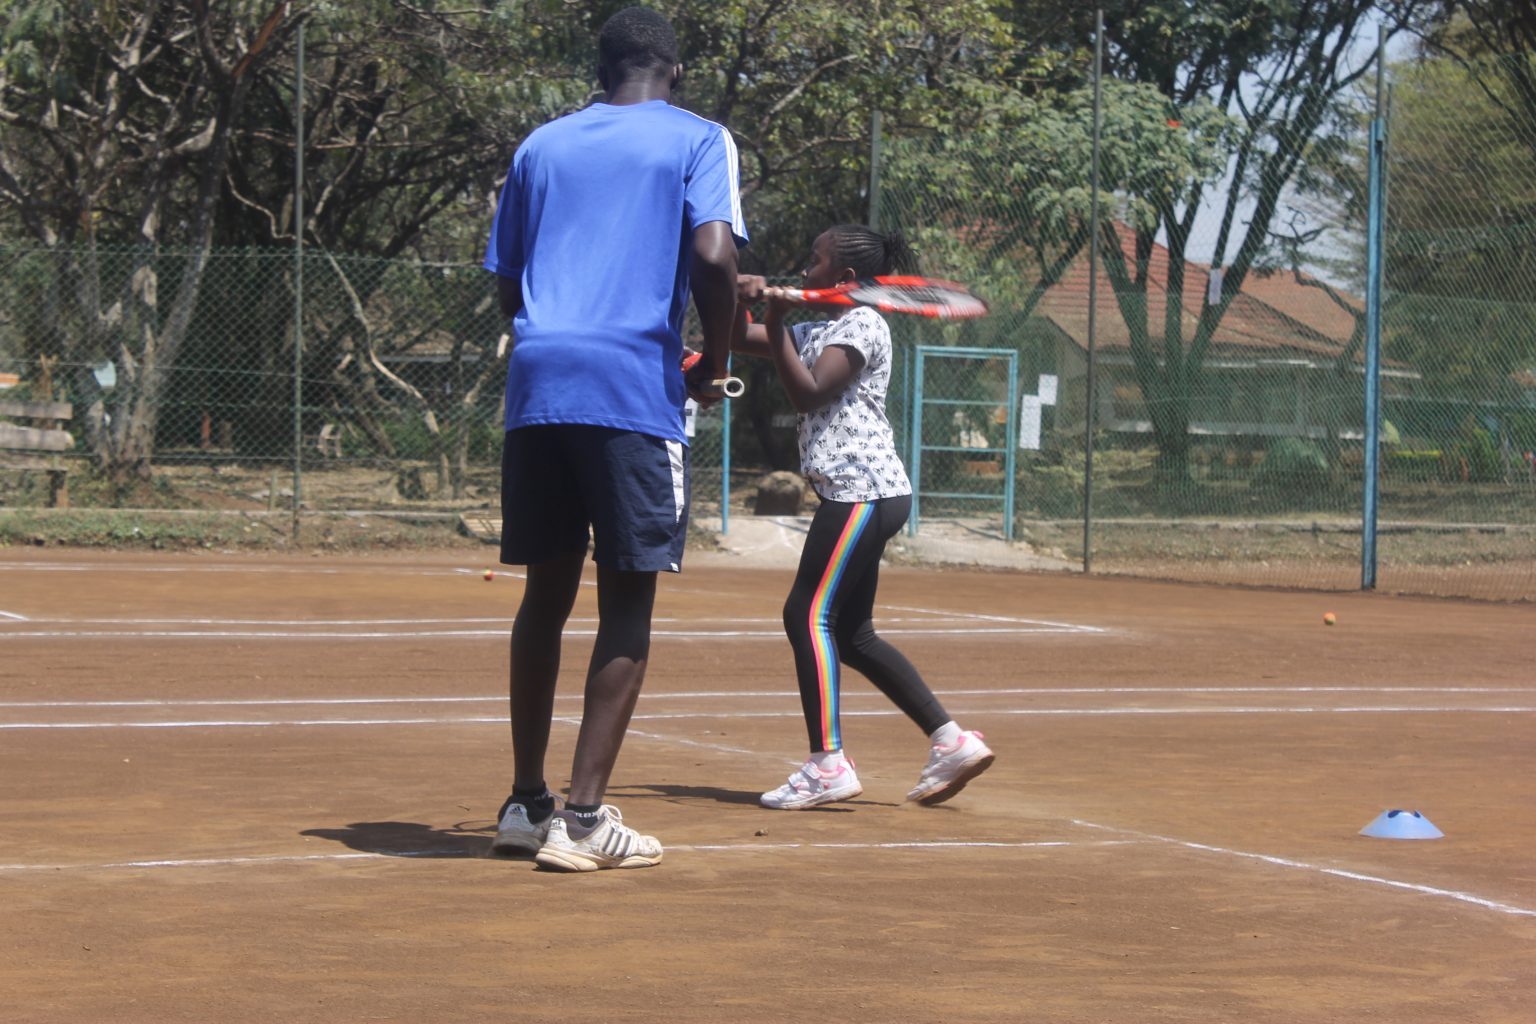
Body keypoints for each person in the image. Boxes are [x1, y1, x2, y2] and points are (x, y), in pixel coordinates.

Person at [481, 6, 746, 870]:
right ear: (674, 73)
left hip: (541, 378)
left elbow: (510, 279)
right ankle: (586, 821)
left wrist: (548, 337)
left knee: (544, 597)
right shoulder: (701, 138)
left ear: (603, 72)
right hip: (631, 385)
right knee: (627, 600)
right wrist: (717, 359)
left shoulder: (541, 145)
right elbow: (712, 255)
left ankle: (526, 804)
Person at [733, 225, 994, 810]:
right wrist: (737, 292)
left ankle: (827, 763)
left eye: (814, 260)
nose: (803, 269)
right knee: (852, 634)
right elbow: (734, 336)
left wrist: (773, 323)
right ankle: (950, 741)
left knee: (806, 614)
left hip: (862, 492)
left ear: (846, 279)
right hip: (859, 494)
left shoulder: (862, 323)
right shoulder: (818, 325)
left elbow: (809, 393)